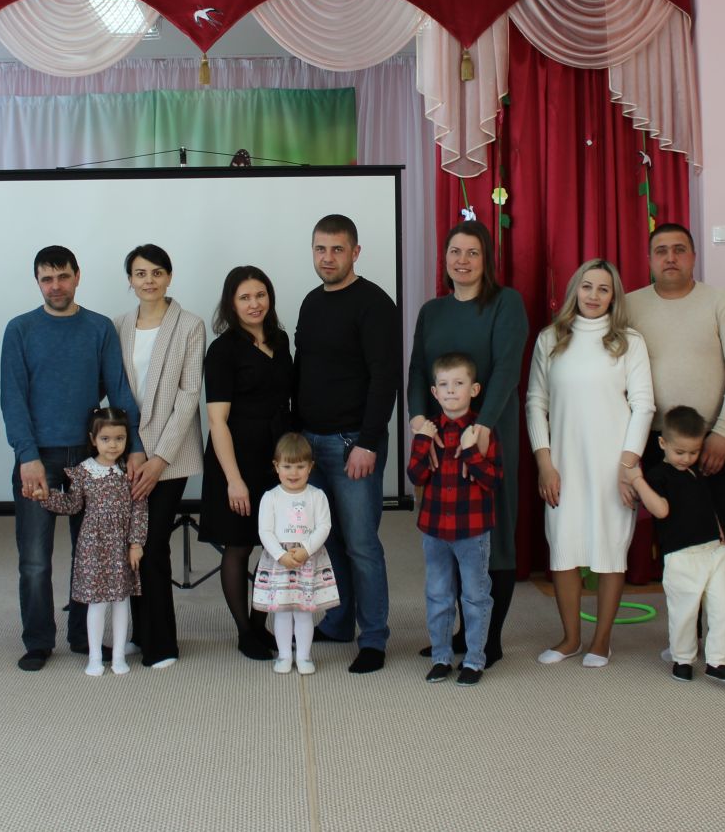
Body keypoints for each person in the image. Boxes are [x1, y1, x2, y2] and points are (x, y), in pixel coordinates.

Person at [0, 245, 144, 673]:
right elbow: (13, 398)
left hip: (91, 457)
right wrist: (26, 455)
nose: (56, 286)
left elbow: (119, 391)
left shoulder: (98, 327)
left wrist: (134, 446)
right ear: (37, 282)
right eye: (47, 279)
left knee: (92, 553)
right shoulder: (20, 329)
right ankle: (38, 641)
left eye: (63, 276)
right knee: (34, 559)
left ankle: (83, 636)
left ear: (77, 276)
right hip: (38, 458)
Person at [626, 223, 725, 679]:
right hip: (656, 445)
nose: (670, 257)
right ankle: (683, 642)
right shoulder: (631, 304)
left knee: (722, 545)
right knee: (677, 549)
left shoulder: (721, 302)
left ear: (693, 256)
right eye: (661, 250)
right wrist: (629, 455)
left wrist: (722, 432)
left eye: (679, 249)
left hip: (712, 444)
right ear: (649, 259)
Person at [407, 220, 528, 667]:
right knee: (449, 531)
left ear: (486, 259)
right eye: (455, 252)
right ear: (445, 259)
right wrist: (419, 419)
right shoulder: (432, 311)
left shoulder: (506, 303)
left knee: (492, 533)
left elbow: (507, 369)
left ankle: (488, 641)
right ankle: (459, 634)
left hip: (489, 433)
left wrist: (485, 426)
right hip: (441, 438)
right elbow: (418, 370)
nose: (462, 260)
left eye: (472, 252)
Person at [527, 259, 654, 668]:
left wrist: (628, 466)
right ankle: (570, 639)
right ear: (574, 291)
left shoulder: (630, 342)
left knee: (610, 550)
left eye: (603, 288)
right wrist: (544, 462)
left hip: (613, 466)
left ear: (614, 296)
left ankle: (601, 641)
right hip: (562, 464)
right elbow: (535, 403)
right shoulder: (551, 339)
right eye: (587, 286)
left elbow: (644, 405)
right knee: (564, 548)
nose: (594, 295)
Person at [295, 214, 400, 675]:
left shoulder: (374, 304)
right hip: (311, 445)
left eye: (337, 249)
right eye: (320, 249)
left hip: (353, 443)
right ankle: (338, 622)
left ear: (355, 252)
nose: (328, 257)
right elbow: (304, 371)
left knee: (361, 544)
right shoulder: (310, 302)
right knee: (327, 540)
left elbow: (384, 378)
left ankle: (373, 637)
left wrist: (368, 442)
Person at [113, 243, 205, 670]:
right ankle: (139, 632)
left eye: (156, 272)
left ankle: (163, 644)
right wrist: (133, 449)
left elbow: (188, 395)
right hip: (128, 454)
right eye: (140, 273)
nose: (148, 280)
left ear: (169, 277)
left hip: (172, 455)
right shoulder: (118, 326)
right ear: (130, 280)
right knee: (129, 545)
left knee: (152, 545)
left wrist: (159, 458)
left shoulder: (190, 325)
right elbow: (117, 390)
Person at [201, 266, 293, 661]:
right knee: (238, 545)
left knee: (276, 545)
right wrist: (233, 480)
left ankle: (261, 625)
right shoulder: (222, 350)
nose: (254, 304)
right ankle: (244, 631)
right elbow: (217, 421)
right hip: (236, 457)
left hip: (277, 458)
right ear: (231, 304)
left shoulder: (281, 340)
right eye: (245, 297)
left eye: (260, 295)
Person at [627, 407, 725, 685]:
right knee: (684, 612)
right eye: (680, 452)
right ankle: (683, 660)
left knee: (721, 608)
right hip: (681, 556)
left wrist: (719, 532)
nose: (687, 458)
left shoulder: (696, 472)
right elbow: (661, 510)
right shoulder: (658, 475)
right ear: (662, 443)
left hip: (713, 552)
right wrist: (637, 480)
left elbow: (706, 504)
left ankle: (717, 661)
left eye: (694, 452)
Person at [408, 353, 499, 687]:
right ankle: (441, 656)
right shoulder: (429, 430)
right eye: (444, 385)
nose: (450, 390)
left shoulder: (481, 431)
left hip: (471, 532)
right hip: (434, 531)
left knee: (475, 596)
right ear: (434, 392)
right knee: (438, 595)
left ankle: (474, 659)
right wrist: (421, 440)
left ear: (473, 389)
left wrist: (471, 450)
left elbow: (492, 480)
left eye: (458, 383)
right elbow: (416, 476)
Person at [39, 407, 149, 677]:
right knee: (97, 602)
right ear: (93, 439)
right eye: (106, 439)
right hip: (93, 548)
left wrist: (136, 543)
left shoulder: (129, 471)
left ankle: (119, 655)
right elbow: (73, 504)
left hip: (120, 547)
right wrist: (46, 497)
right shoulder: (84, 472)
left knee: (121, 601)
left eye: (120, 439)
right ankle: (95, 656)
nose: (113, 445)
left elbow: (139, 508)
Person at [253, 433, 338, 676]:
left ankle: (303, 656)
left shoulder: (316, 496)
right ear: (276, 466)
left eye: (300, 466)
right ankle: (284, 655)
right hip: (279, 561)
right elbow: (265, 531)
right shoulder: (270, 497)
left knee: (303, 612)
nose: (293, 473)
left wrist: (306, 550)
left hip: (306, 561)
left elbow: (324, 526)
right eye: (287, 466)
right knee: (281, 612)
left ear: (310, 467)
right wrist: (281, 555)